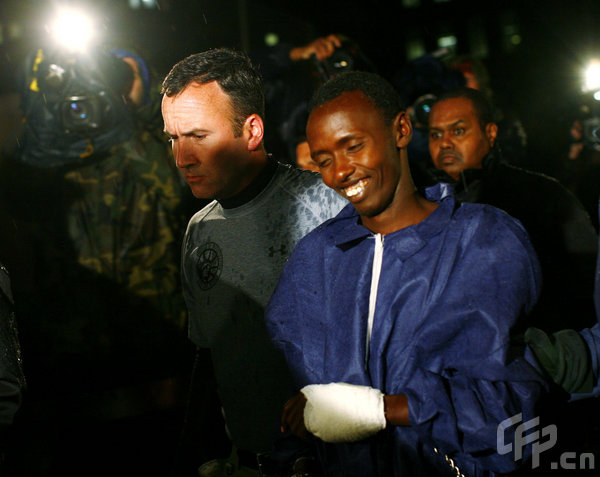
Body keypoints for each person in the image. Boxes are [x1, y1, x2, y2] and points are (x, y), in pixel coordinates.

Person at [265, 71, 549, 476]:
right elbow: (296, 401)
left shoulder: (482, 242)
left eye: (353, 146)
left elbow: (512, 404)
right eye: (324, 160)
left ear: (400, 129)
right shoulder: (316, 258)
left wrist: (383, 410)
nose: (340, 172)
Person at [160, 48, 347, 476]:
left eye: (198, 136)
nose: (181, 157)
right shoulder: (199, 232)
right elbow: (208, 359)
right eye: (173, 138)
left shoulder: (329, 207)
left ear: (252, 131)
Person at [427, 87, 599, 333]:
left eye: (458, 131)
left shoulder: (542, 194)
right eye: (435, 134)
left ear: (490, 133)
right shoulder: (421, 205)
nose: (445, 143)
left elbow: (587, 276)